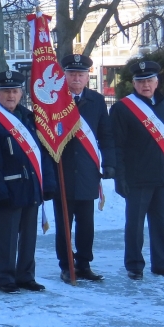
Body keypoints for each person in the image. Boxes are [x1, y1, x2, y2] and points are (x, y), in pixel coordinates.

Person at [0, 70, 57, 293]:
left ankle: (26, 276)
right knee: (7, 237)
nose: (10, 96)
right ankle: (5, 278)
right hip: (8, 187)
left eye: (14, 91)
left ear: (21, 93)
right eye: (6, 91)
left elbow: (43, 153)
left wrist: (48, 183)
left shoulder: (29, 117)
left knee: (29, 235)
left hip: (31, 185)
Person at [110, 60, 164, 279]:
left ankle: (160, 262)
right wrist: (119, 177)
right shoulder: (122, 108)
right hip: (137, 177)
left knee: (161, 222)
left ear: (157, 82)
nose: (146, 85)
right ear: (134, 83)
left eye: (150, 80)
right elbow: (117, 146)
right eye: (141, 81)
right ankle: (134, 264)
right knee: (135, 224)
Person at [52, 54, 116, 283]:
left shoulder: (96, 100)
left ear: (88, 77)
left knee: (86, 223)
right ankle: (66, 264)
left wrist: (109, 163)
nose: (76, 78)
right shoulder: (55, 100)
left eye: (80, 74)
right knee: (64, 224)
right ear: (65, 76)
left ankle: (84, 263)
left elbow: (106, 135)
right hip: (63, 170)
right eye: (72, 74)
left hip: (88, 170)